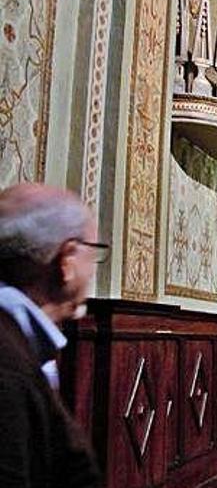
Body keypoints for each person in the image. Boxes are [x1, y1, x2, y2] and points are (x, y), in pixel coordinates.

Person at [0, 183, 104, 487]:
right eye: (94, 255)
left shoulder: (22, 340)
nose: (93, 271)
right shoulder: (7, 368)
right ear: (67, 260)